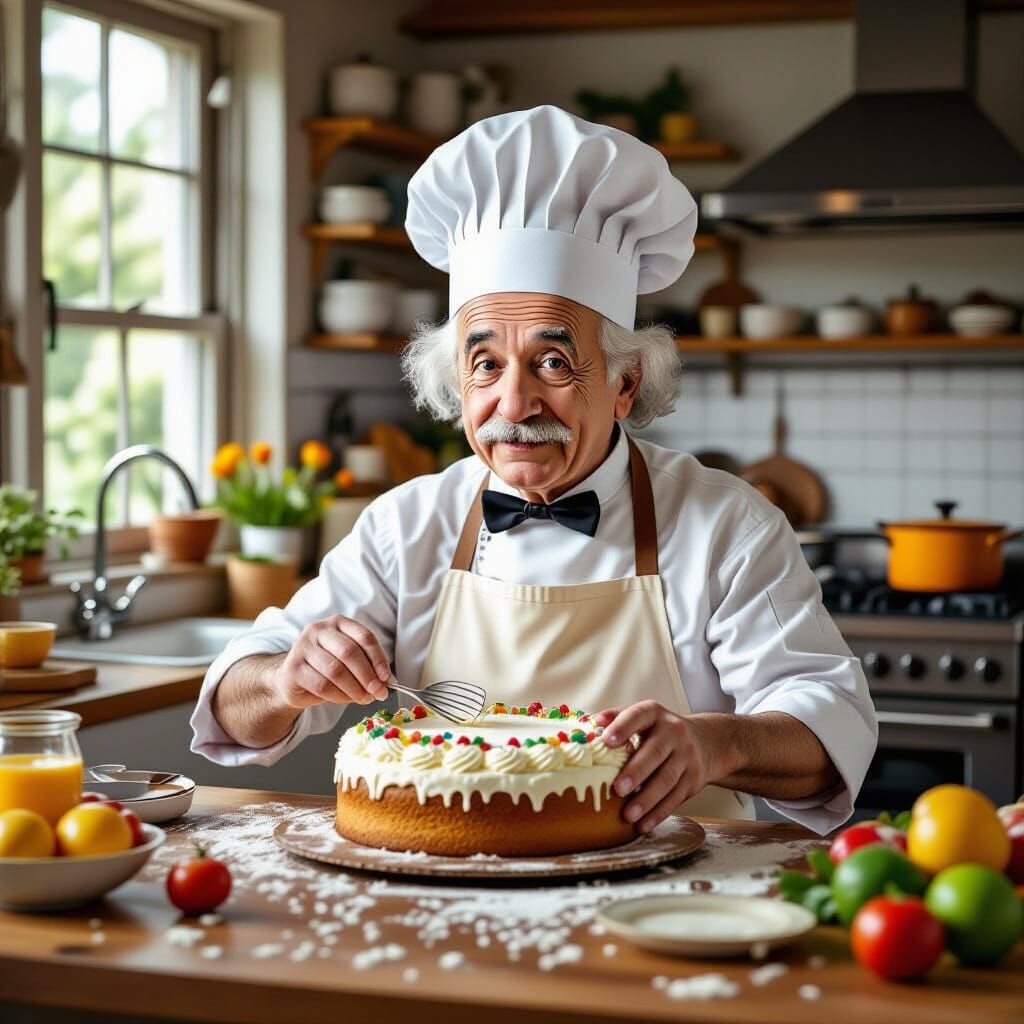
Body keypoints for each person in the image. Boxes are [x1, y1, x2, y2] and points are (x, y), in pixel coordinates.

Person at [192, 105, 876, 835]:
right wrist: (287, 678)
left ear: (624, 383)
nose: (513, 401)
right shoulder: (407, 525)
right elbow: (235, 703)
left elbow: (828, 726)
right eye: (485, 365)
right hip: (441, 897)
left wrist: (714, 744)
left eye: (553, 361)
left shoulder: (724, 525)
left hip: (673, 902)